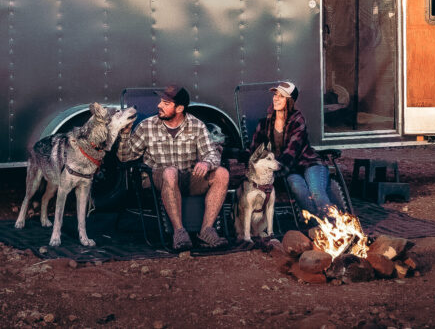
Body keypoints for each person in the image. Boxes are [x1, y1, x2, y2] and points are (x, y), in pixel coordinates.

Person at [117, 84, 229, 250]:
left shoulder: (196, 125)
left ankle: (206, 231)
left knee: (222, 173)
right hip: (158, 177)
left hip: (187, 177)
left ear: (180, 108)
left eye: (166, 103)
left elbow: (211, 154)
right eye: (161, 101)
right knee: (170, 172)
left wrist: (206, 163)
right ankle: (179, 232)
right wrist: (125, 133)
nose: (159, 106)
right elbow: (125, 157)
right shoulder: (147, 126)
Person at [249, 81, 334, 220]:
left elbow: (290, 154)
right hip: (290, 170)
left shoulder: (297, 120)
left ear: (290, 101)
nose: (276, 98)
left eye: (281, 96)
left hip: (309, 164)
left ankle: (335, 226)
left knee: (317, 193)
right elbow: (254, 152)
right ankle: (318, 225)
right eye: (275, 95)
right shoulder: (264, 123)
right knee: (298, 189)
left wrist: (272, 174)